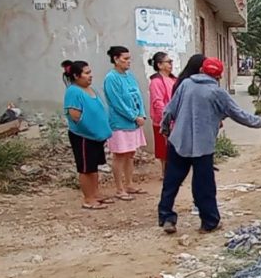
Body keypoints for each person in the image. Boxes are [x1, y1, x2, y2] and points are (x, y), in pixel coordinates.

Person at [158, 57, 261, 234]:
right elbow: (239, 114)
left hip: (178, 141)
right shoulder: (217, 92)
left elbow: (169, 110)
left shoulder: (185, 84)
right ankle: (209, 222)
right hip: (202, 146)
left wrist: (165, 129)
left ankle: (167, 218)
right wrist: (260, 121)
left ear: (202, 70)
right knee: (204, 185)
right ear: (219, 76)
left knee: (171, 182)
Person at [62, 60, 114, 210]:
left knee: (93, 167)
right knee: (85, 168)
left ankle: (95, 194)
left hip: (96, 136)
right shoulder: (73, 91)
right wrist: (90, 129)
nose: (90, 76)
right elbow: (75, 115)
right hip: (83, 137)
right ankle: (88, 199)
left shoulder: (90, 89)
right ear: (77, 76)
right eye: (86, 73)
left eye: (90, 72)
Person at [103, 46, 147, 201]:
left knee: (130, 154)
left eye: (129, 59)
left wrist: (141, 113)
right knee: (120, 155)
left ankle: (129, 183)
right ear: (116, 59)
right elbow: (117, 102)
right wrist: (134, 116)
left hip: (134, 122)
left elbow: (138, 96)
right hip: (120, 123)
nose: (128, 62)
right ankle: (119, 188)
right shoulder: (111, 78)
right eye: (125, 59)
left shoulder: (129, 76)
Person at [148, 52, 176, 173]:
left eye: (171, 62)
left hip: (175, 119)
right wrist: (165, 119)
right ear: (159, 65)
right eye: (168, 62)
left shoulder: (173, 79)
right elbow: (157, 103)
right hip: (163, 121)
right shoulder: (156, 82)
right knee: (164, 151)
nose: (171, 65)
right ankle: (166, 173)